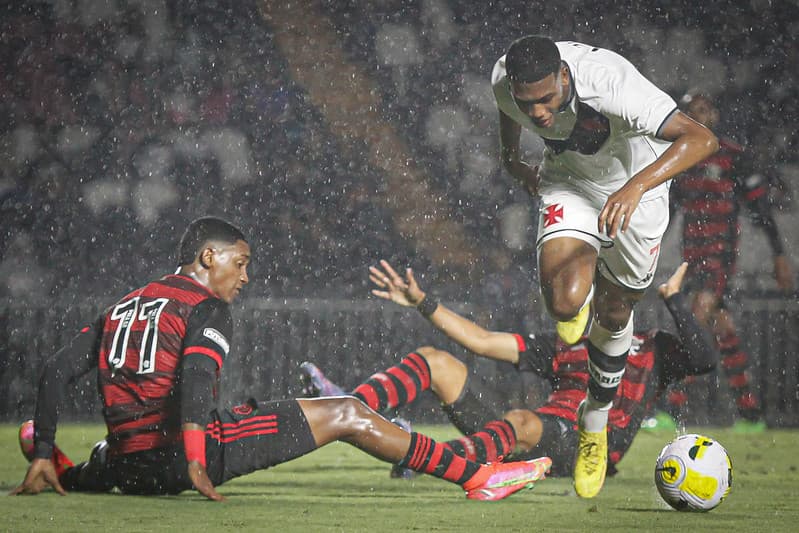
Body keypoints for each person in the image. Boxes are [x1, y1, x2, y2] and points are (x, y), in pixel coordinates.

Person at [11, 216, 551, 502]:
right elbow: (198, 380)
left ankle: (59, 467)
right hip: (184, 457)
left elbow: (55, 371)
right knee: (347, 413)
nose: (244, 277)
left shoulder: (124, 303)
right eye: (239, 263)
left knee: (107, 455)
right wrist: (196, 460)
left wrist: (43, 445)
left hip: (124, 465)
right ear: (208, 257)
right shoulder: (204, 307)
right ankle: (479, 477)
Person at [490, 35, 719, 497]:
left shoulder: (612, 83)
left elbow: (702, 138)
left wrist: (633, 188)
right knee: (564, 302)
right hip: (570, 183)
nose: (537, 112)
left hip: (641, 190)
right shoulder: (504, 81)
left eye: (547, 99)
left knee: (615, 317)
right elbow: (510, 126)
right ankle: (579, 290)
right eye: (526, 101)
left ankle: (594, 420)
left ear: (566, 77)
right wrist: (514, 161)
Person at [300, 259, 718, 481]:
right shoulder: (566, 342)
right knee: (435, 360)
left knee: (520, 421)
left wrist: (674, 298)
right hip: (532, 433)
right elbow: (481, 341)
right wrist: (423, 302)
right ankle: (347, 405)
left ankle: (421, 456)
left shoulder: (653, 347)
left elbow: (703, 360)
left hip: (586, 453)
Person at [666, 91, 795, 431]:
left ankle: (671, 405)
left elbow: (762, 211)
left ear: (716, 116)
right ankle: (749, 412)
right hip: (691, 257)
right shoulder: (680, 156)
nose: (701, 115)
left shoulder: (735, 157)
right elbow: (670, 212)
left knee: (695, 319)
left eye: (706, 109)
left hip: (719, 256)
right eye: (693, 111)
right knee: (722, 328)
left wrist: (779, 255)